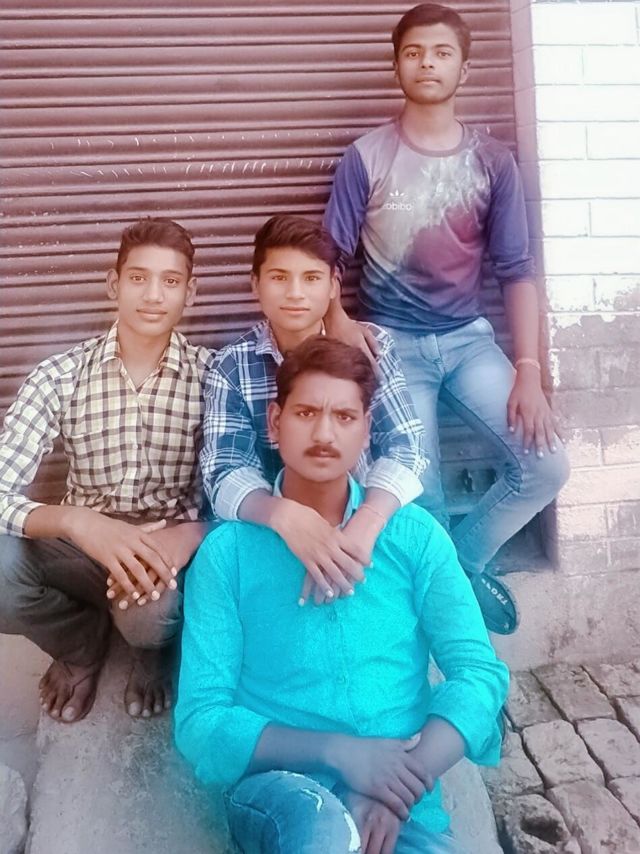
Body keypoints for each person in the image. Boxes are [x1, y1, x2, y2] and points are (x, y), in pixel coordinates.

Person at [176, 336, 509, 854]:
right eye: (306, 413)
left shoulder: (414, 537)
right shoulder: (228, 554)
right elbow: (202, 722)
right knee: (322, 835)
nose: (324, 434)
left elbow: (479, 675)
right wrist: (342, 754)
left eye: (345, 417)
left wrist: (398, 783)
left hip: (402, 806)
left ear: (367, 430)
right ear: (274, 422)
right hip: (282, 793)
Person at [323, 2, 570, 633]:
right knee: (419, 492)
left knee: (546, 465)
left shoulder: (493, 162)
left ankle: (456, 569)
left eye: (441, 53)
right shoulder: (366, 158)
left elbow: (517, 270)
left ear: (465, 67)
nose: (426, 63)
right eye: (413, 52)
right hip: (393, 346)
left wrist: (528, 369)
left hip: (469, 343)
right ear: (396, 66)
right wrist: (340, 321)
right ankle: (446, 618)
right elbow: (326, 258)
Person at [0, 217, 212, 723]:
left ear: (190, 293)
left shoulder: (212, 377)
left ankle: (151, 654)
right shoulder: (60, 375)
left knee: (149, 619)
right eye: (138, 278)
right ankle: (80, 644)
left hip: (163, 555)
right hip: (79, 549)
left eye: (170, 280)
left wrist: (191, 533)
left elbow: (242, 485)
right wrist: (76, 521)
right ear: (114, 284)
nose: (153, 295)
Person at [200, 214, 428, 600]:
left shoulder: (370, 349)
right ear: (255, 284)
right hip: (271, 533)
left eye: (311, 278)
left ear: (333, 286)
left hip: (361, 520)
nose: (295, 293)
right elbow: (223, 469)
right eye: (279, 277)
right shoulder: (233, 366)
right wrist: (286, 517)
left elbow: (407, 447)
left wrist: (366, 523)